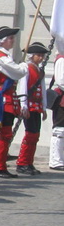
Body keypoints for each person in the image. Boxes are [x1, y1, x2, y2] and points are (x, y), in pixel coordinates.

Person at [0, 26, 28, 178]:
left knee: (6, 134)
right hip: (4, 99)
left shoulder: (4, 56)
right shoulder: (2, 58)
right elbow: (18, 72)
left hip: (8, 98)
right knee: (5, 134)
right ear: (3, 41)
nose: (13, 41)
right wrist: (24, 65)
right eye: (10, 38)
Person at [16, 42, 49, 176]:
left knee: (35, 135)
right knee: (30, 134)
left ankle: (29, 162)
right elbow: (23, 87)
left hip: (37, 106)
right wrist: (23, 105)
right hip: (29, 105)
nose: (40, 58)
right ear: (32, 56)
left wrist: (44, 107)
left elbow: (43, 91)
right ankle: (22, 162)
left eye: (42, 56)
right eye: (38, 55)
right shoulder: (26, 68)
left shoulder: (40, 71)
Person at [49, 39, 64, 171]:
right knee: (59, 130)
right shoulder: (61, 59)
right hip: (62, 99)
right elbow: (61, 81)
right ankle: (55, 160)